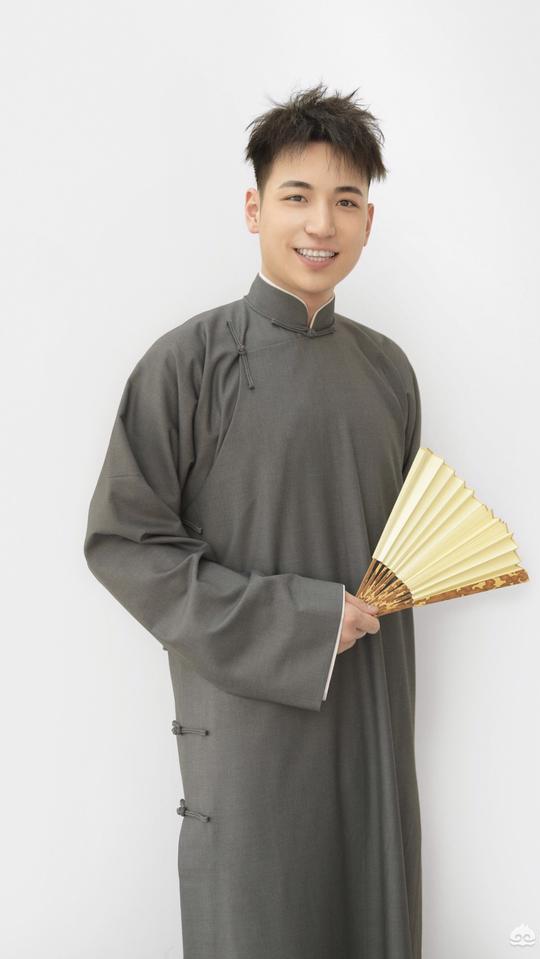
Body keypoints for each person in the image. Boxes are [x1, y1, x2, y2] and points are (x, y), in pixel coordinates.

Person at [84, 81, 423, 959]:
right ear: (254, 208)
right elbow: (125, 544)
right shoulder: (186, 365)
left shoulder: (390, 373)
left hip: (371, 727)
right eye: (297, 196)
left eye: (346, 201)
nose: (321, 223)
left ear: (368, 221)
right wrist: (302, 621)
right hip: (248, 738)